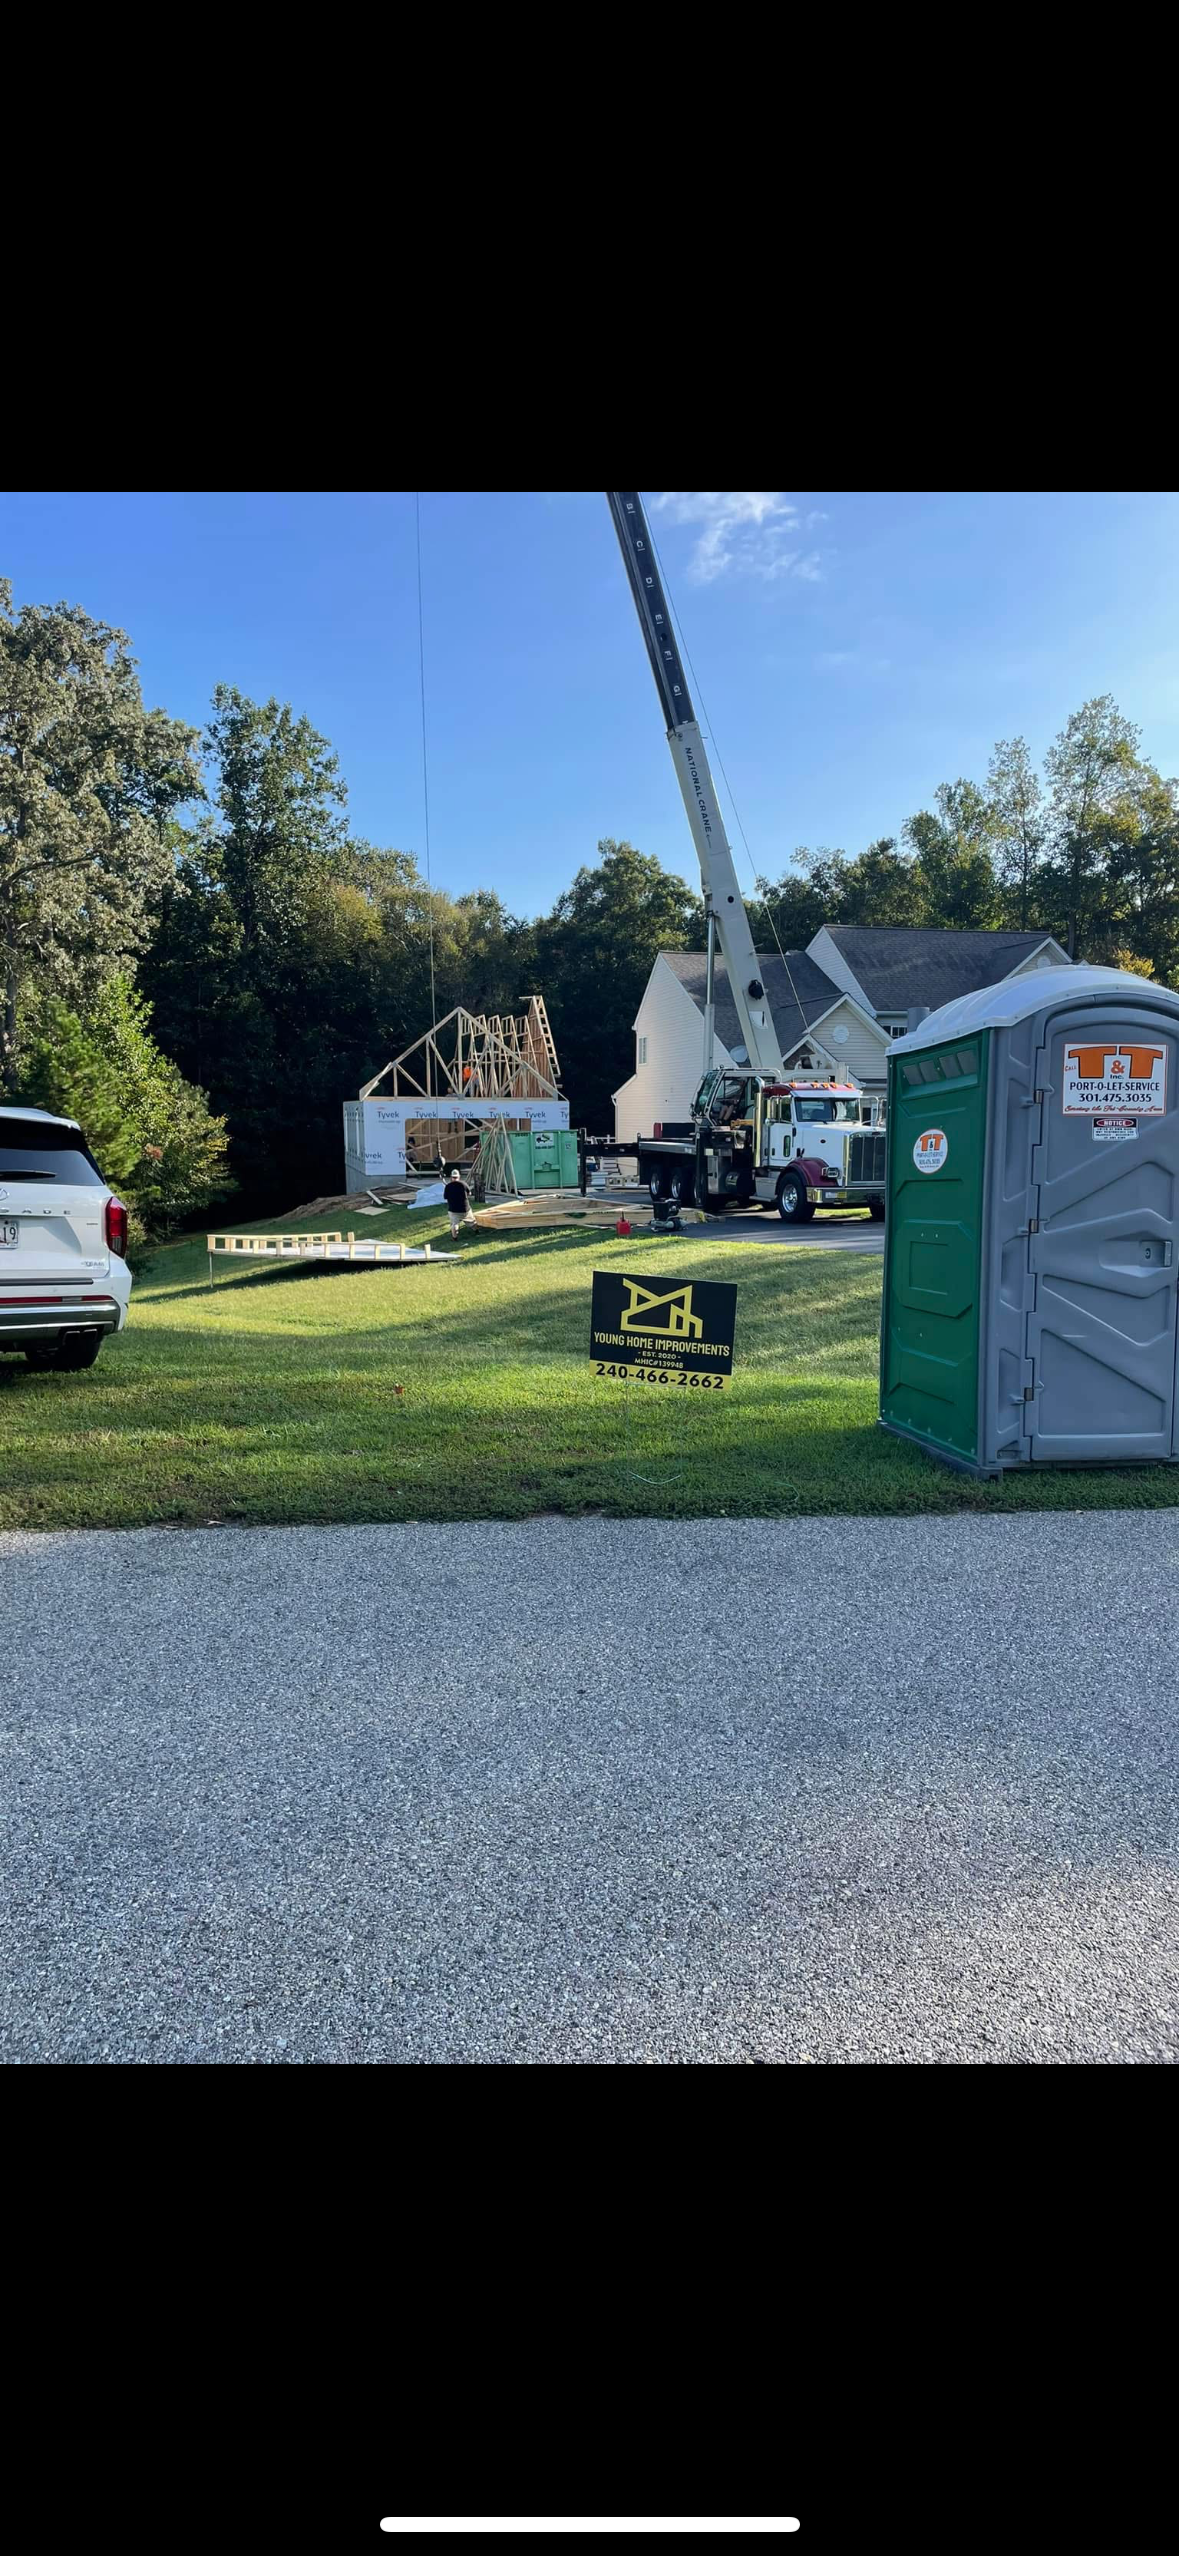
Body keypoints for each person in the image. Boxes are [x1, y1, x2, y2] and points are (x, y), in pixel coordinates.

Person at [443, 1165, 477, 1239]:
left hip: (453, 1210)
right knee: (472, 1222)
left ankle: (454, 1238)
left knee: (454, 1224)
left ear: (451, 1177)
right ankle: (476, 1231)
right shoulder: (463, 1184)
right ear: (459, 1177)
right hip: (465, 1209)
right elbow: (469, 1193)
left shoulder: (448, 1186)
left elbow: (445, 1197)